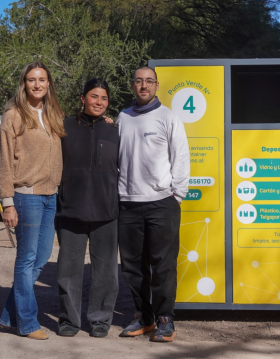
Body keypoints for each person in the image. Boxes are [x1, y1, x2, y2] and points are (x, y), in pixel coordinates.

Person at [117, 66, 190, 342]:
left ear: (157, 85)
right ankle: (144, 316)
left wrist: (177, 195)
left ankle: (165, 318)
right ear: (132, 85)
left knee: (162, 265)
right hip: (128, 203)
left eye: (149, 81)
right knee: (132, 266)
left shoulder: (168, 117)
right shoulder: (122, 117)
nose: (143, 86)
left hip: (162, 203)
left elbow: (181, 158)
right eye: (138, 81)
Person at [0, 61, 65, 340]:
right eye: (31, 80)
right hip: (26, 196)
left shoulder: (53, 115)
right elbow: (3, 161)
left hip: (51, 196)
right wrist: (8, 201)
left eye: (42, 79)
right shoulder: (13, 115)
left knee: (41, 257)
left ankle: (7, 315)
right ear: (24, 83)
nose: (37, 84)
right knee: (26, 259)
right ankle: (27, 323)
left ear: (49, 84)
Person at [55, 79, 119, 338]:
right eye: (94, 97)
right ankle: (69, 321)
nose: (99, 102)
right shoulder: (65, 127)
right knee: (68, 270)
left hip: (107, 211)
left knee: (105, 270)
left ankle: (100, 320)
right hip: (71, 209)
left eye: (104, 98)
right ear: (83, 98)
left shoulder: (114, 131)